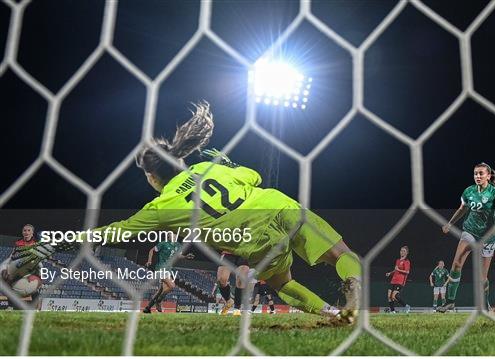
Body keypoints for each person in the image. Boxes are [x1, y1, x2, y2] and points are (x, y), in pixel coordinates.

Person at [11, 101, 361, 323]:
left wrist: (62, 241)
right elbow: (252, 176)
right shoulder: (211, 169)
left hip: (253, 241)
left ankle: (332, 312)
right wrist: (226, 164)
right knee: (341, 254)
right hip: (279, 207)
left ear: (152, 177)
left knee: (282, 283)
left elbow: (114, 232)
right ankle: (352, 284)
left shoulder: (162, 207)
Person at [438, 163, 495, 313]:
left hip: (488, 237)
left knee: (482, 278)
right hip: (470, 232)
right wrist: (450, 223)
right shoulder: (469, 191)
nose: (478, 176)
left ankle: (485, 304)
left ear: (488, 176)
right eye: (475, 174)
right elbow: (462, 209)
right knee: (456, 264)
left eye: (481, 174)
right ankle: (450, 302)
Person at [143, 233, 194, 313]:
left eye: (175, 235)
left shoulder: (178, 245)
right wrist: (149, 261)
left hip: (168, 269)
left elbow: (178, 256)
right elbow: (152, 250)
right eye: (172, 234)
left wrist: (185, 257)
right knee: (171, 286)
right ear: (168, 236)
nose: (174, 236)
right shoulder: (163, 243)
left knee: (160, 290)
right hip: (161, 268)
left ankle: (147, 308)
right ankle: (158, 301)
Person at [385, 246, 411, 313]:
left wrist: (399, 269)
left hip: (400, 281)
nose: (402, 252)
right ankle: (392, 311)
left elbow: (407, 272)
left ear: (407, 253)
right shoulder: (398, 260)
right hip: (393, 280)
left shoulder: (406, 261)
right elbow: (396, 270)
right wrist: (390, 273)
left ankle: (406, 306)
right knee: (389, 296)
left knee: (394, 296)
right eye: (401, 250)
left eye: (404, 251)